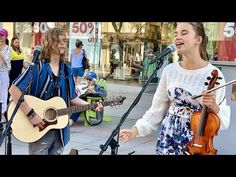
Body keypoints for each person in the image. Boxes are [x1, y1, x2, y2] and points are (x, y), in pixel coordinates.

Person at [119, 22, 231, 155]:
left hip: (197, 143)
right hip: (167, 139)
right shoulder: (169, 71)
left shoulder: (214, 75)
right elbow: (157, 110)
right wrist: (136, 130)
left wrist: (214, 106)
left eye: (184, 33)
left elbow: (223, 122)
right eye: (175, 34)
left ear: (198, 39)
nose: (177, 37)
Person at [9, 28, 103, 155]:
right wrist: (31, 114)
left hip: (60, 130)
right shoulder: (37, 67)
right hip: (39, 129)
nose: (63, 43)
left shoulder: (67, 70)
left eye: (64, 40)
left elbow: (73, 98)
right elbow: (14, 89)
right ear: (49, 43)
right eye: (58, 41)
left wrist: (92, 106)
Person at [0, 28, 11, 123]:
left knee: (3, 94)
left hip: (3, 72)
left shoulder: (8, 48)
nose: (0, 37)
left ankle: (2, 113)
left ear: (5, 36)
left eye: (2, 35)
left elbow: (6, 61)